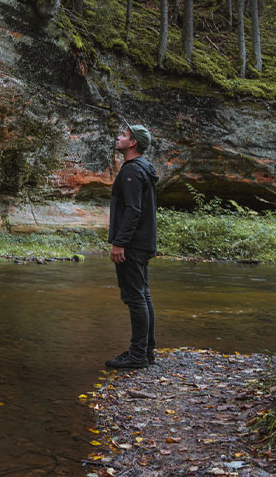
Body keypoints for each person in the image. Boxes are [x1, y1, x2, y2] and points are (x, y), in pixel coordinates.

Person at [106, 122, 160, 369]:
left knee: (135, 297)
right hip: (142, 243)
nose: (118, 137)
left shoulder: (132, 171)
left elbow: (133, 211)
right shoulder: (143, 168)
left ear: (133, 143)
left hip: (132, 245)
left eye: (124, 135)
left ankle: (138, 355)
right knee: (143, 295)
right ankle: (146, 352)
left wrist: (119, 243)